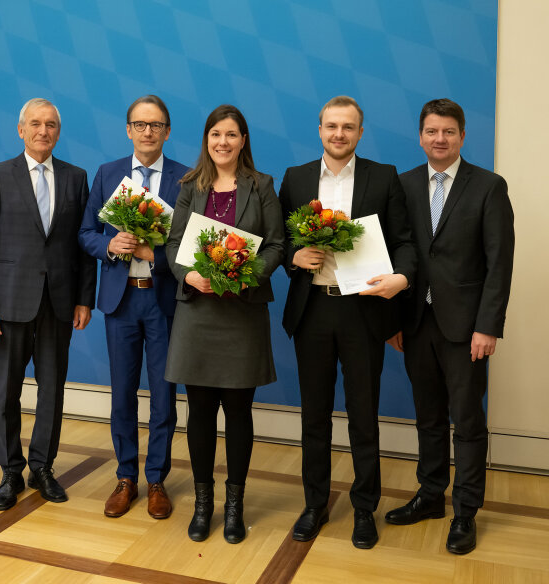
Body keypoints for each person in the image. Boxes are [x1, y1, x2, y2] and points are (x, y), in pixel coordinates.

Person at [279, 96, 417, 549]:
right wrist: (293, 257)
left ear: (360, 132)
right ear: (319, 129)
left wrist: (401, 280)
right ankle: (315, 504)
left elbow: (403, 241)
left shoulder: (383, 176)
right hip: (313, 310)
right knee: (314, 415)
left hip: (363, 311)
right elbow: (278, 243)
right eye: (332, 126)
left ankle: (364, 508)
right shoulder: (296, 179)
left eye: (349, 127)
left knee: (363, 414)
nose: (339, 134)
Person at [384, 99, 515, 554]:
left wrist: (488, 326)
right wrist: (396, 321)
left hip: (467, 328)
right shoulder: (402, 186)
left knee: (469, 421)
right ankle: (430, 495)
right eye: (432, 131)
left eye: (449, 132)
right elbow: (400, 255)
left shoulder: (489, 187)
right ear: (420, 136)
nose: (440, 139)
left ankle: (465, 511)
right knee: (429, 419)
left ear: (462, 136)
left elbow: (499, 262)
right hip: (417, 323)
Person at [0, 98, 97, 511]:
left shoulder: (77, 178)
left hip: (59, 303)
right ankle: (10, 470)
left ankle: (43, 467)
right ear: (20, 129)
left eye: (52, 125)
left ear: (59, 131)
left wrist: (83, 299)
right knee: (7, 391)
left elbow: (84, 246)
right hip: (7, 304)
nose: (44, 131)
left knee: (52, 389)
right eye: (36, 124)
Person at [165, 105, 284, 544]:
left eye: (231, 135)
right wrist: (188, 274)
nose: (223, 142)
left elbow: (275, 244)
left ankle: (234, 506)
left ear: (243, 140)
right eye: (216, 134)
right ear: (206, 140)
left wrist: (248, 274)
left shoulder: (263, 186)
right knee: (199, 412)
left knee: (237, 412)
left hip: (242, 312)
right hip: (198, 312)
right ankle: (203, 504)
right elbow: (174, 243)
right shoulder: (188, 186)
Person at [78, 95, 188, 519]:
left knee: (164, 395)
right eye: (140, 125)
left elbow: (188, 246)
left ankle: (157, 478)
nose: (147, 132)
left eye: (156, 125)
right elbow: (86, 232)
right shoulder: (107, 174)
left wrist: (154, 252)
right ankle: (126, 477)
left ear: (167, 131)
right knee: (122, 393)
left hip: (164, 300)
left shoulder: (186, 179)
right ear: (128, 130)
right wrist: (109, 244)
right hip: (121, 301)